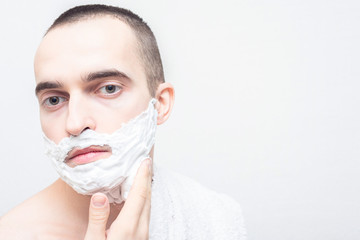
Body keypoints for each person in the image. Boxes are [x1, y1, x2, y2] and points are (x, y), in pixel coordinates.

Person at [0, 4, 246, 240]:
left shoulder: (216, 217)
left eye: (108, 89)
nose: (74, 124)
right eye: (54, 100)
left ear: (160, 103)